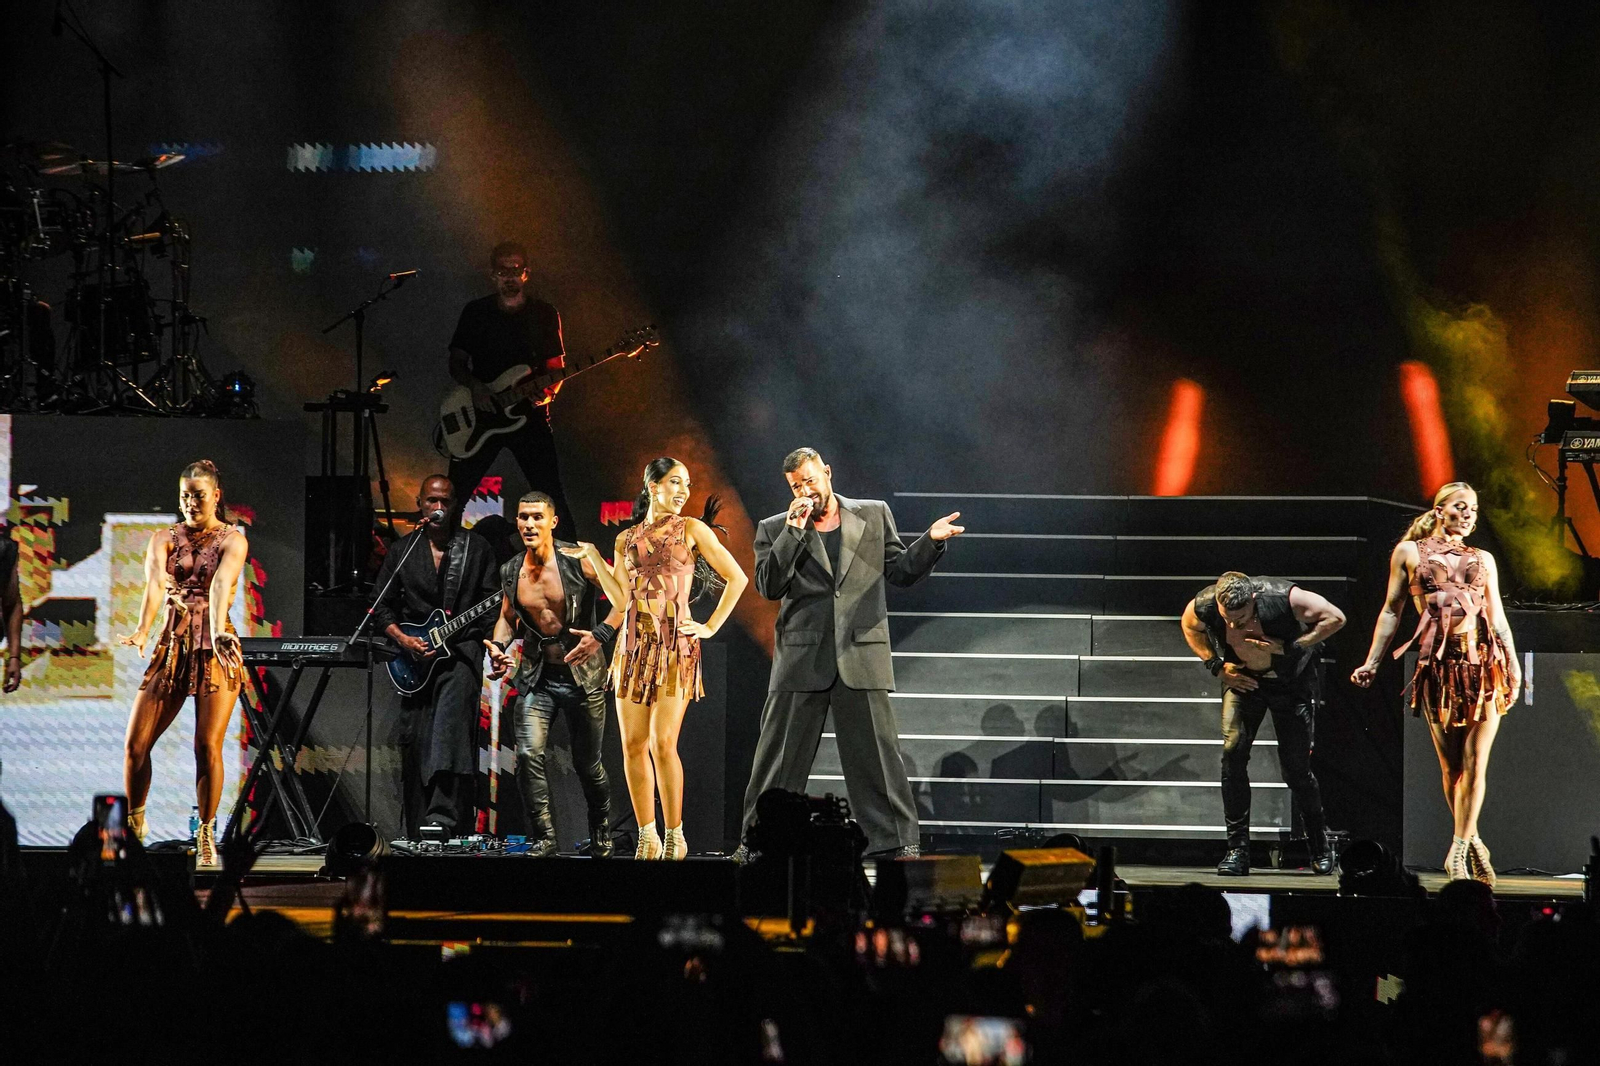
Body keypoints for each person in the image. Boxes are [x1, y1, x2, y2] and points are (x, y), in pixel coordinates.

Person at [737, 447, 964, 860]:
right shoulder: (776, 528)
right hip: (802, 658)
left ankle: (896, 842)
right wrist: (793, 532)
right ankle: (756, 842)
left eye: (810, 480)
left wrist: (929, 542)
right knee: (777, 759)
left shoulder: (873, 513)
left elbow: (898, 571)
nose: (805, 490)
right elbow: (769, 586)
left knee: (877, 759)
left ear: (827, 472)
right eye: (796, 486)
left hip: (860, 653)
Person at [1352, 482, 1519, 885]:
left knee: (1478, 763)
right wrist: (1373, 661)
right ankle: (1473, 838)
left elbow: (1497, 617)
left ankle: (1458, 849)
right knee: (1453, 768)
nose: (1468, 514)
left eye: (1474, 509)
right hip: (1439, 669)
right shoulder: (1410, 552)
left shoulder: (1484, 558)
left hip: (1483, 666)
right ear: (1440, 509)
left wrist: (1513, 664)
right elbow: (1391, 610)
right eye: (1461, 506)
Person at [603, 458, 747, 859]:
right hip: (631, 648)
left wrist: (711, 626)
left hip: (674, 647)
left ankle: (674, 833)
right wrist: (596, 563)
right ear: (652, 485)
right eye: (674, 482)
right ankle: (646, 833)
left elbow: (737, 577)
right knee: (632, 744)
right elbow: (620, 600)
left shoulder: (692, 530)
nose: (683, 490)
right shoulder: (625, 539)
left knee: (663, 742)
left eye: (687, 483)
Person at [118, 460, 248, 866]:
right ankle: (135, 827)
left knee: (206, 745)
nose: (191, 503)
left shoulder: (233, 539)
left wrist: (217, 630)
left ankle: (207, 835)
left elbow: (222, 585)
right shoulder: (163, 538)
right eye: (185, 496)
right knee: (135, 746)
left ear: (216, 495)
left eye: (199, 495)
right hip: (173, 645)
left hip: (215, 646)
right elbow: (156, 584)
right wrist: (142, 630)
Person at [482, 491, 626, 856]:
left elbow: (622, 600)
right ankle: (545, 837)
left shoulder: (579, 558)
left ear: (552, 521)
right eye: (523, 517)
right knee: (529, 755)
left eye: (536, 517)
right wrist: (499, 648)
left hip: (582, 677)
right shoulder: (512, 569)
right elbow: (507, 618)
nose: (529, 524)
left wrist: (600, 637)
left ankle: (600, 832)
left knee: (587, 764)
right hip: (537, 677)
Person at [1180, 571, 1346, 875]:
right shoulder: (1205, 603)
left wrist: (1295, 646)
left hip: (1290, 685)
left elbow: (1335, 618)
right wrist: (1215, 664)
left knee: (1296, 769)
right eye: (1227, 618)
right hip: (1243, 683)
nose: (1233, 625)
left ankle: (1320, 845)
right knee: (1233, 755)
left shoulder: (1282, 597)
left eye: (1241, 619)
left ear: (1254, 601)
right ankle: (1237, 850)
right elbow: (1189, 624)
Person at [371, 475, 499, 839]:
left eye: (445, 501)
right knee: (417, 738)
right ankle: (418, 824)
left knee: (449, 730)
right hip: (413, 658)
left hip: (461, 653)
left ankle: (444, 816)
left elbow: (492, 607)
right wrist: (403, 639)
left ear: (455, 504)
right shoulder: (404, 550)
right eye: (431, 501)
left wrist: (479, 639)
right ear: (420, 504)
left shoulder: (476, 549)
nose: (438, 508)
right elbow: (381, 608)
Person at [445, 240, 576, 534]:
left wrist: (548, 394)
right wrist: (476, 387)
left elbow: (555, 368)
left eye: (516, 269)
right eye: (503, 270)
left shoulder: (544, 313)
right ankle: (439, 565)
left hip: (528, 416)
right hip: (481, 417)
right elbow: (456, 363)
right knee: (454, 496)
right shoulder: (476, 312)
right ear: (493, 274)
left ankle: (569, 569)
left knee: (552, 496)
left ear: (526, 273)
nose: (510, 276)